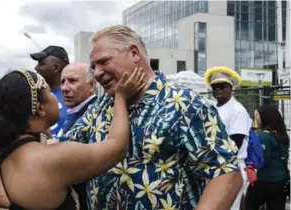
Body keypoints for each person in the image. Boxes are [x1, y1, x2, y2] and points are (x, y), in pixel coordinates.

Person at [55, 25, 243, 209]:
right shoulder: (100, 106)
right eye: (93, 66)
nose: (96, 73)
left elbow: (226, 173)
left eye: (103, 62)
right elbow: (62, 149)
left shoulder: (184, 104)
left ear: (134, 53)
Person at [0, 69, 145, 210]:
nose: (58, 94)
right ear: (40, 108)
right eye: (50, 91)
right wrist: (121, 98)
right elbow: (117, 147)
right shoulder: (51, 158)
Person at [204, 66, 252, 210]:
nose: (217, 89)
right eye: (214, 86)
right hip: (214, 167)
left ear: (231, 88)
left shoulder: (237, 110)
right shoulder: (212, 108)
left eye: (222, 86)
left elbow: (235, 143)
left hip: (230, 167)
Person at [56, 63, 97, 210]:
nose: (65, 88)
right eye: (62, 82)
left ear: (92, 85)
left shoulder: (94, 115)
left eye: (72, 81)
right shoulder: (74, 112)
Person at [245, 106, 290, 210]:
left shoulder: (262, 136)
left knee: (249, 205)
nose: (255, 118)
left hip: (264, 181)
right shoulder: (282, 134)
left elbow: (261, 161)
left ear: (265, 117)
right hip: (282, 181)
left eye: (257, 115)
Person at [31, 46, 69, 137]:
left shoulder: (72, 97)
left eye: (42, 63)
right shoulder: (34, 96)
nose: (36, 67)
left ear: (56, 67)